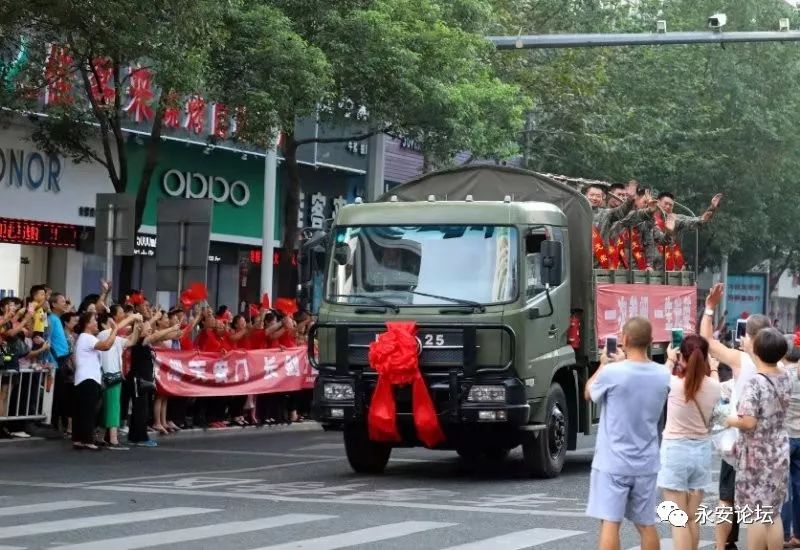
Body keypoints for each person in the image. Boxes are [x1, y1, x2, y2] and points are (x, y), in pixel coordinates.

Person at [584, 317, 670, 550]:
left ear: (624, 340)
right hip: (646, 461)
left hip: (613, 462)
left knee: (610, 523)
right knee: (646, 524)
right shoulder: (663, 375)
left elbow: (588, 393)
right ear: (651, 342)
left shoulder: (612, 373)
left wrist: (603, 364)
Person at [700, 283, 772, 550]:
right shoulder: (782, 366)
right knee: (763, 508)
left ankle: (723, 546)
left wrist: (709, 308)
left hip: (739, 442)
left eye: (745, 335)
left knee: (726, 500)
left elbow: (707, 341)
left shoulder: (742, 361)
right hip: (769, 448)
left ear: (752, 338)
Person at [724, 328, 791, 550]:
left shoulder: (755, 383)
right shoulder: (785, 376)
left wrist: (728, 419)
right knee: (772, 513)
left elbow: (749, 422)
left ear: (757, 350)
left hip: (755, 455)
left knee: (754, 514)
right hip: (779, 451)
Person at [660, 335, 721, 550]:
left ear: (681, 357)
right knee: (692, 518)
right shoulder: (714, 387)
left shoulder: (674, 384)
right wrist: (713, 369)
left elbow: (658, 380)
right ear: (705, 358)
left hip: (675, 451)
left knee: (679, 521)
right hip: (701, 453)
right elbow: (717, 395)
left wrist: (669, 360)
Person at [72, 312, 118, 451]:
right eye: (94, 320)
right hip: (88, 379)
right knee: (88, 410)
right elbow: (106, 346)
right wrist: (114, 330)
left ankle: (79, 439)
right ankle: (87, 440)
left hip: (84, 378)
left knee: (82, 410)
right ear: (87, 324)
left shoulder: (84, 338)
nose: (96, 323)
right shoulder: (87, 337)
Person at [97, 309, 141, 450]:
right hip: (108, 375)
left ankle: (101, 437)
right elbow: (116, 329)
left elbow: (131, 342)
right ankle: (113, 440)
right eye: (110, 323)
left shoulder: (115, 338)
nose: (113, 325)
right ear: (103, 325)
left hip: (114, 375)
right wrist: (132, 317)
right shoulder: (102, 334)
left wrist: (136, 329)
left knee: (108, 407)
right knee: (113, 407)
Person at [780, 332, 800, 548]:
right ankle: (798, 533)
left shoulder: (780, 375)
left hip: (784, 438)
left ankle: (784, 533)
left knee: (782, 488)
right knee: (799, 486)